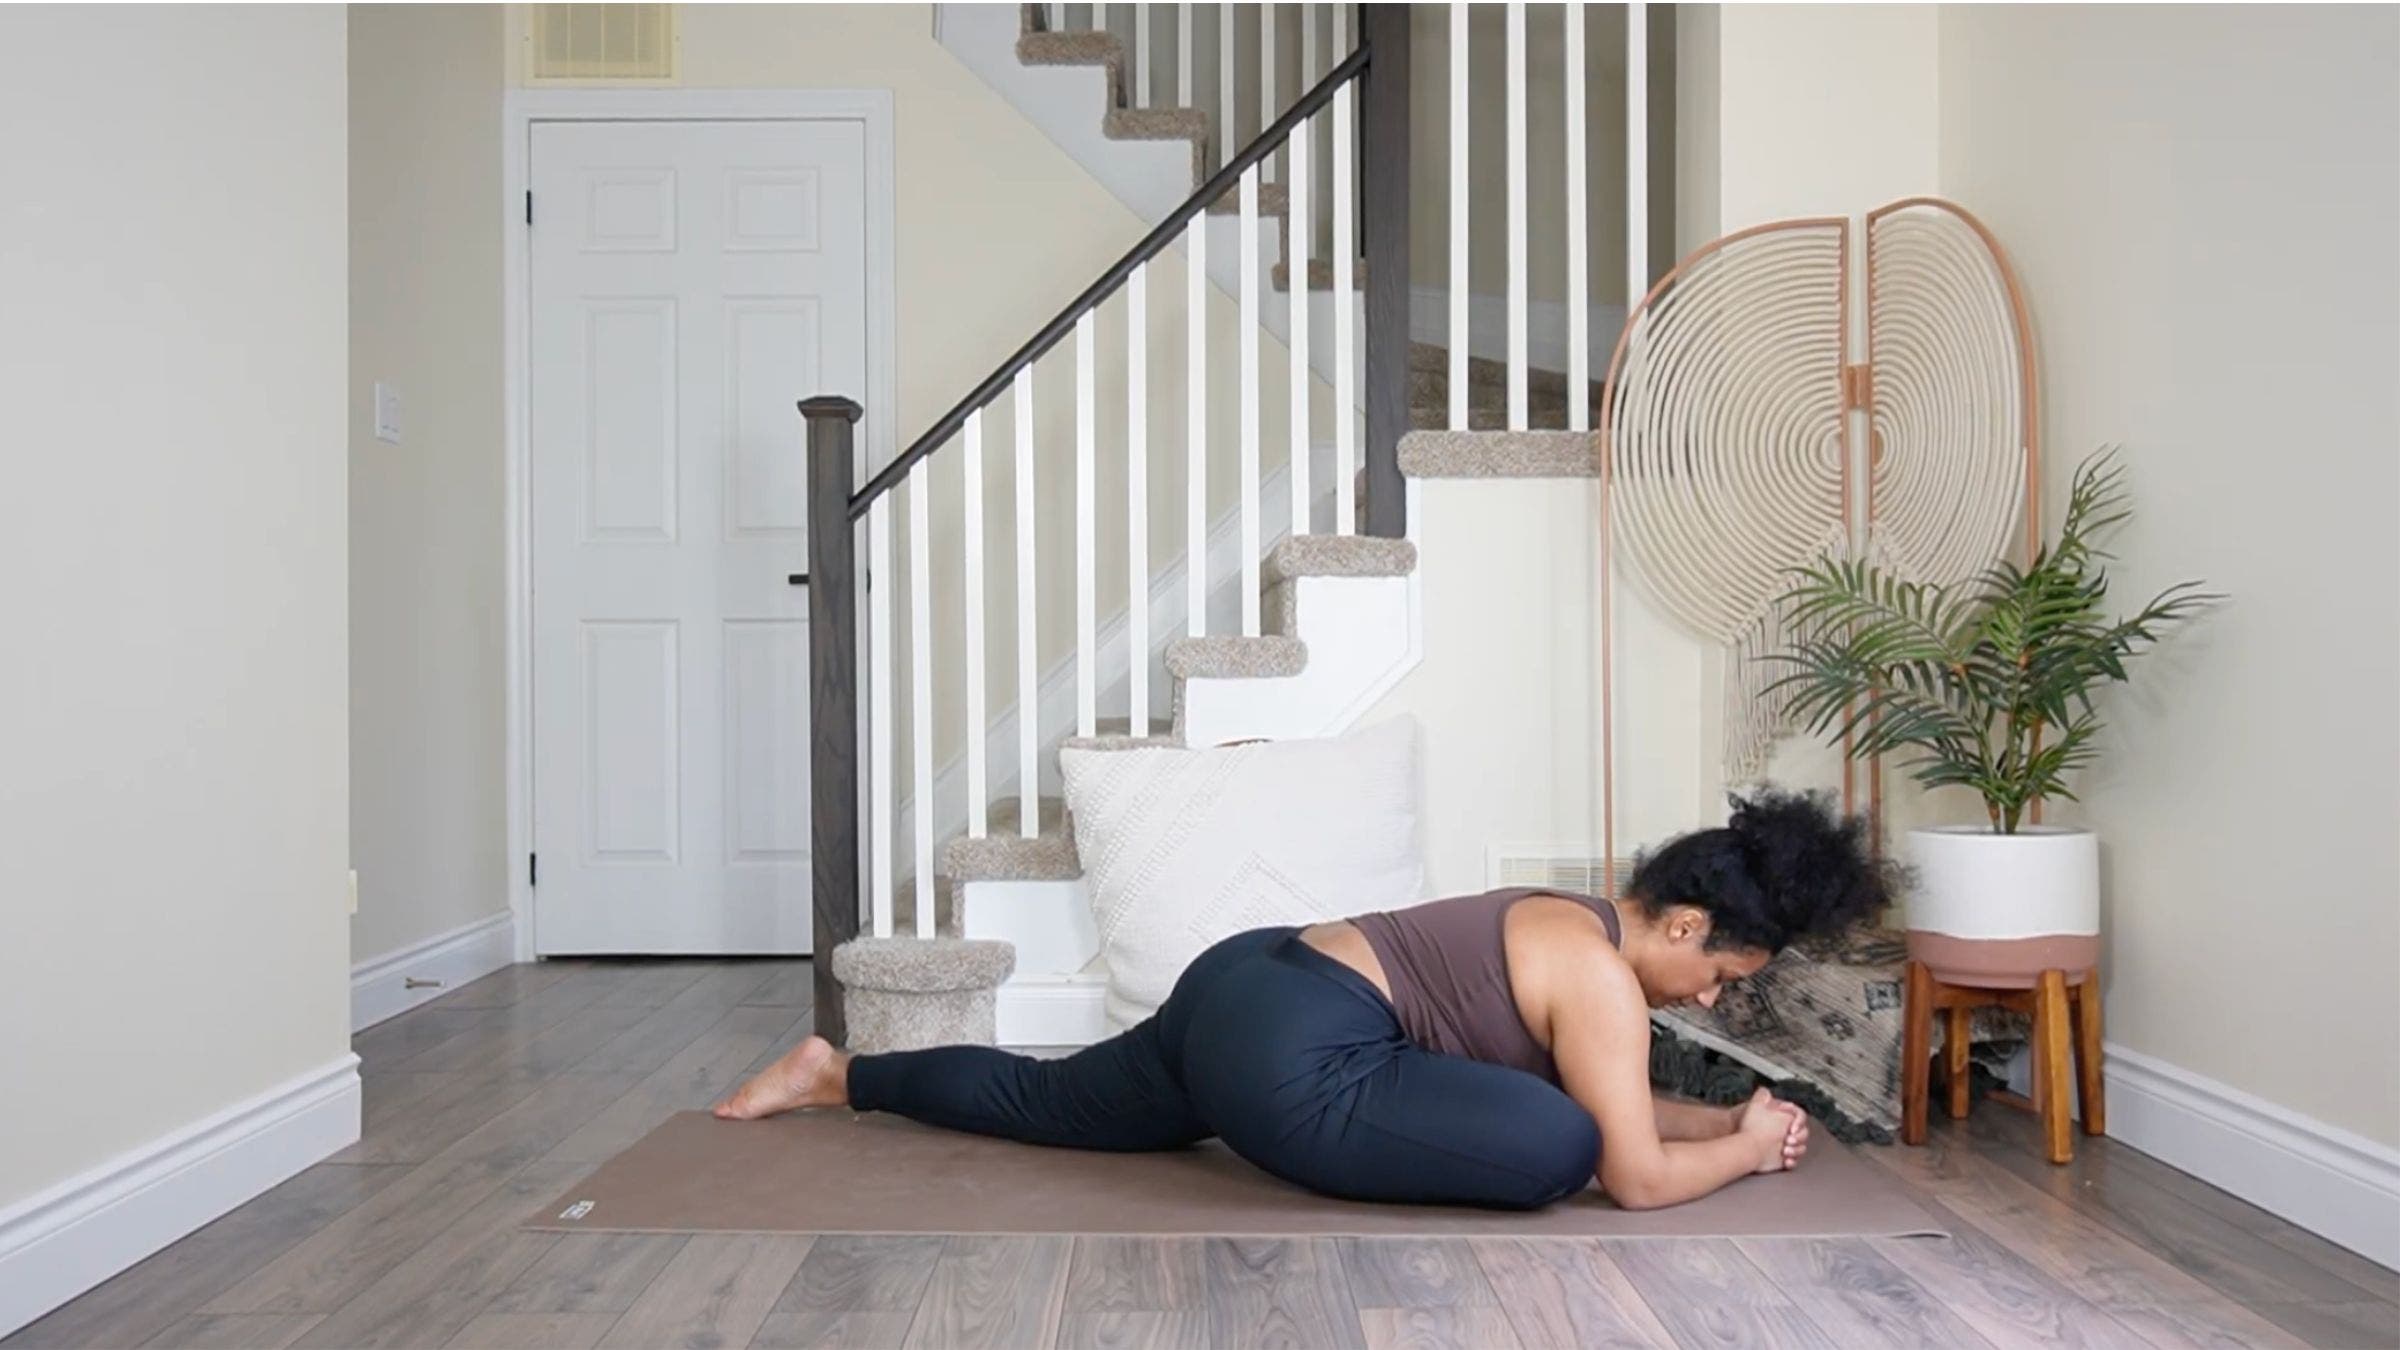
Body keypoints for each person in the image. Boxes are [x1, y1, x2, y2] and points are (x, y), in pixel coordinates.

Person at [715, 789, 1894, 1212]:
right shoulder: (1600, 982)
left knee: (1042, 1098)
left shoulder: (1563, 916)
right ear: (1687, 925)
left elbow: (1629, 1108)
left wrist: (1738, 1121)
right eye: (1725, 976)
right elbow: (1628, 1171)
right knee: (1552, 1147)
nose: (1716, 1000)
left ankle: (835, 1074)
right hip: (1296, 1050)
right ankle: (833, 1078)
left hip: (1248, 978)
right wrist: (1739, 1157)